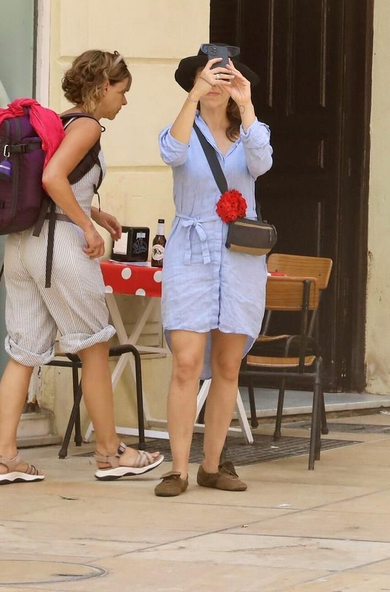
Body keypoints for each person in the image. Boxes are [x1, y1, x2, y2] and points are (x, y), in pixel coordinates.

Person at [0, 50, 163, 485]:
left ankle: (5, 458)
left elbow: (54, 183)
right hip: (60, 249)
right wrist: (87, 226)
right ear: (103, 88)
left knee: (23, 353)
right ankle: (110, 452)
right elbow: (52, 178)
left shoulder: (58, 123)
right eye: (122, 93)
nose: (124, 102)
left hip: (23, 247)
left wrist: (94, 213)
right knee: (94, 351)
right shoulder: (86, 126)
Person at [154, 46, 272, 497]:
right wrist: (194, 96)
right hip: (191, 255)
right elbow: (171, 151)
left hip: (240, 259)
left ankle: (213, 464)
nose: (218, 84)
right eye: (211, 76)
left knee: (227, 365)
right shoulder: (183, 128)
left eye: (227, 76)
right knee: (186, 364)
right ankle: (177, 469)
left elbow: (262, 164)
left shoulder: (251, 135)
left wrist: (246, 103)